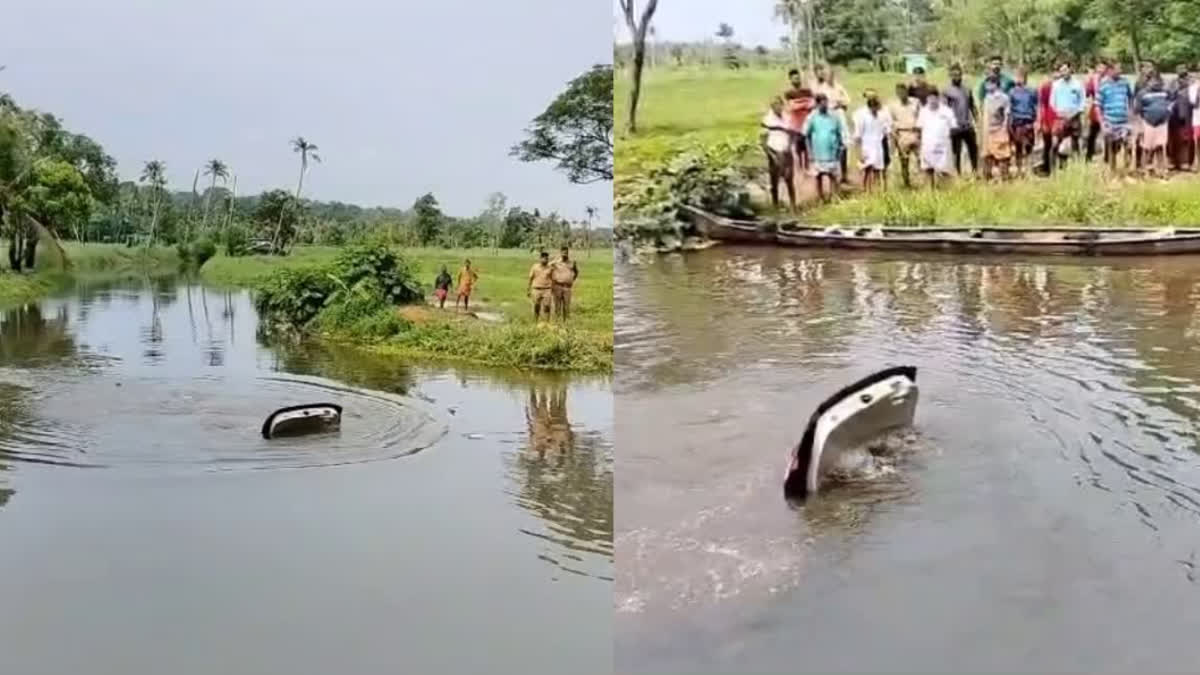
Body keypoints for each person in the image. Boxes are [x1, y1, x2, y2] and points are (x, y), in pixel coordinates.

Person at [812, 65, 851, 183]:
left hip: (840, 117)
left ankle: (844, 174)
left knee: (844, 145)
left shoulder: (839, 87)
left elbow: (847, 101)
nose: (829, 77)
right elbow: (818, 105)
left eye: (831, 75)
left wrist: (840, 104)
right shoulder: (821, 89)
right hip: (827, 119)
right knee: (829, 144)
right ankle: (829, 175)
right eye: (827, 75)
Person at [802, 93, 843, 201]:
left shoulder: (834, 116)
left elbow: (839, 133)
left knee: (833, 175)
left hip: (832, 151)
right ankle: (820, 197)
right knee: (818, 176)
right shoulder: (812, 117)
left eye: (826, 103)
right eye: (822, 103)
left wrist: (840, 147)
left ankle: (834, 196)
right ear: (817, 104)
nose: (825, 105)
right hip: (818, 152)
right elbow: (806, 135)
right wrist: (809, 152)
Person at [1097, 61, 1134, 173]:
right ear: (1110, 70)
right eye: (1118, 69)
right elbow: (1098, 105)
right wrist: (1102, 123)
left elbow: (1130, 97)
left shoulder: (1125, 82)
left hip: (1124, 121)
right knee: (1112, 148)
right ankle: (1113, 171)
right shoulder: (1103, 84)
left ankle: (1127, 170)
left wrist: (1131, 111)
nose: (1120, 71)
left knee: (1128, 146)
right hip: (1110, 121)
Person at [762, 96, 798, 210]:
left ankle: (793, 205)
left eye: (779, 104)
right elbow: (763, 141)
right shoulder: (767, 120)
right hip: (774, 152)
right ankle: (775, 205)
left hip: (786, 151)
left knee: (789, 179)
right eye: (774, 105)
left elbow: (793, 134)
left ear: (782, 105)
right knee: (775, 181)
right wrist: (772, 155)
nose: (777, 107)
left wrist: (790, 145)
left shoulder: (788, 118)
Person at [852, 89, 892, 191]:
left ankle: (876, 190)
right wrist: (859, 152)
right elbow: (858, 135)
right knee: (867, 170)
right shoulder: (862, 115)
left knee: (877, 170)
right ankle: (865, 190)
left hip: (878, 146)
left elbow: (886, 130)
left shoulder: (882, 115)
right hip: (867, 145)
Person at [944, 63, 979, 176]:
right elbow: (944, 110)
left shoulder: (967, 89)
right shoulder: (946, 91)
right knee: (956, 152)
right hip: (955, 127)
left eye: (958, 74)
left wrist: (977, 120)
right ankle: (957, 174)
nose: (956, 77)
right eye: (954, 75)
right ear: (950, 75)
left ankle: (975, 172)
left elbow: (972, 106)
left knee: (973, 149)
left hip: (968, 125)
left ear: (961, 74)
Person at [1050, 61, 1085, 168]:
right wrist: (1059, 113)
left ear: (1070, 69)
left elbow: (1082, 101)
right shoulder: (1056, 85)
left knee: (1075, 143)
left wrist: (1075, 112)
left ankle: (1077, 166)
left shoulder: (1078, 84)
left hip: (1074, 117)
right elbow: (1052, 102)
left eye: (1065, 70)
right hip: (1060, 118)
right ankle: (1053, 168)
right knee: (1055, 143)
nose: (1064, 73)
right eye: (1061, 71)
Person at [917, 92, 956, 188]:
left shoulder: (946, 111)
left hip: (943, 146)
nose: (932, 100)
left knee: (944, 170)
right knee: (928, 169)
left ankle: (945, 191)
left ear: (938, 98)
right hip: (928, 145)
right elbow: (919, 128)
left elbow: (953, 127)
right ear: (927, 99)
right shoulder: (923, 111)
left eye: (934, 98)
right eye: (929, 98)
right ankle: (930, 191)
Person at [887, 82, 922, 188]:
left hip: (915, 133)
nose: (902, 94)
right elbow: (891, 122)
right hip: (902, 134)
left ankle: (923, 183)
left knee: (921, 160)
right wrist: (895, 137)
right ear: (897, 93)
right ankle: (907, 184)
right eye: (899, 92)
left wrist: (920, 133)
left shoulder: (916, 102)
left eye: (904, 91)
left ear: (907, 91)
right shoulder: (893, 105)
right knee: (904, 161)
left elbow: (921, 117)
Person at [1136, 70, 1171, 177]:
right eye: (1153, 80)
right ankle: (1146, 169)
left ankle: (1161, 170)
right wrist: (1141, 126)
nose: (1156, 82)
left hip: (1162, 123)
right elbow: (1138, 111)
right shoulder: (1142, 93)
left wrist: (1167, 114)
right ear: (1148, 81)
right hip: (1148, 123)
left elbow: (1170, 103)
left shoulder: (1165, 92)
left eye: (1158, 80)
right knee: (1147, 148)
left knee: (1160, 146)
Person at [783, 68, 814, 172]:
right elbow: (791, 107)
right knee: (798, 146)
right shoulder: (789, 93)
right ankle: (800, 167)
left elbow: (812, 105)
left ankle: (807, 166)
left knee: (807, 146)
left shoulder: (807, 91)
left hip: (806, 122)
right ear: (790, 80)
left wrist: (799, 105)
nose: (797, 80)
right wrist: (804, 104)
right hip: (795, 124)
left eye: (798, 78)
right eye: (794, 79)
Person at [1008, 69, 1038, 175]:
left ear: (1026, 78)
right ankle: (1019, 170)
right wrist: (1010, 124)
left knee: (1029, 147)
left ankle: (1029, 169)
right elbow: (1010, 109)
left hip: (1028, 122)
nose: (1019, 79)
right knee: (1018, 148)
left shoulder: (1032, 91)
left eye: (1021, 76)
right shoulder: (1012, 92)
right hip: (1017, 123)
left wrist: (1036, 121)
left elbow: (1036, 106)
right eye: (1017, 76)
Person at [982, 79, 1013, 180]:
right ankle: (987, 178)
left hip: (999, 129)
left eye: (989, 83)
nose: (987, 86)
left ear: (995, 84)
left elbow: (1007, 115)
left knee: (1003, 155)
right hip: (988, 130)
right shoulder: (987, 98)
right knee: (987, 154)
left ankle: (1005, 177)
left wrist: (1005, 128)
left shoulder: (1004, 98)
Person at [1167, 66, 1194, 171]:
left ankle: (1186, 162)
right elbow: (1169, 96)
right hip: (1174, 115)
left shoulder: (1192, 83)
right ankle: (1173, 161)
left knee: (1186, 139)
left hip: (1188, 115)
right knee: (1174, 139)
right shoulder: (1173, 83)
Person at [550, 245, 579, 321]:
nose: (564, 254)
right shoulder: (555, 262)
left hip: (567, 288)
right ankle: (557, 322)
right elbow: (548, 269)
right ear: (560, 253)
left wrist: (571, 280)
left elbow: (576, 272)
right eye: (563, 253)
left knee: (566, 307)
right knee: (557, 306)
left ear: (568, 253)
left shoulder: (572, 262)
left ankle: (565, 323)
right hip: (557, 286)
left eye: (566, 253)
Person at [1037, 73, 1058, 174]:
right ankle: (1048, 167)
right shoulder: (1047, 87)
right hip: (1048, 119)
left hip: (1058, 119)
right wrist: (1042, 121)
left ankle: (1053, 167)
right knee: (1048, 144)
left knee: (1054, 144)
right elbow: (1042, 105)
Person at [526, 250, 554, 322]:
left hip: (547, 289)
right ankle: (535, 321)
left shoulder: (550, 268)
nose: (545, 260)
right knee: (536, 306)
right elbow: (530, 278)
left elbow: (552, 278)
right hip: (536, 289)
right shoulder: (535, 267)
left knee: (547, 306)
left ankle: (547, 322)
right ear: (540, 258)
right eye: (543, 258)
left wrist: (552, 289)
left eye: (546, 258)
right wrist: (528, 289)